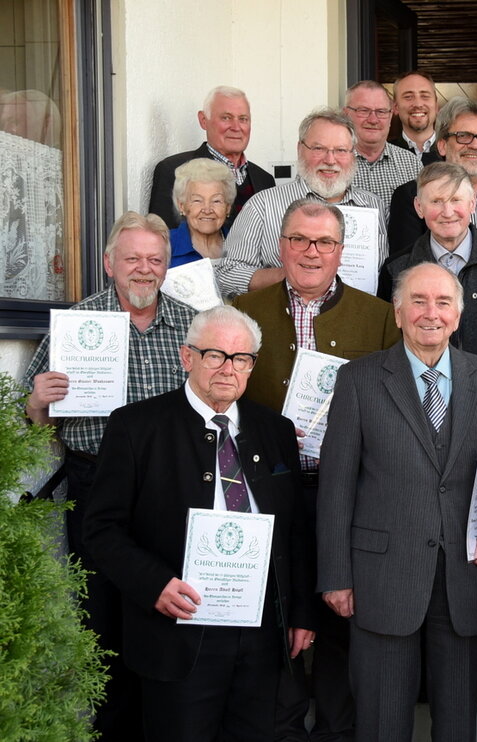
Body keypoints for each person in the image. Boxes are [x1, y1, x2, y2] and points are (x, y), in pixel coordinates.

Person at [82, 305, 316, 742]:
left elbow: (296, 532)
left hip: (262, 635)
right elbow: (101, 529)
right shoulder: (136, 427)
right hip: (179, 632)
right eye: (215, 355)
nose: (228, 369)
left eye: (241, 358)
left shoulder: (276, 430)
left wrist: (301, 612)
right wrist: (155, 584)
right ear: (187, 357)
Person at [317, 263, 477, 742]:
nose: (432, 313)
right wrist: (336, 575)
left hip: (465, 576)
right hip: (381, 578)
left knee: (456, 727)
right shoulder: (359, 380)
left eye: (443, 302)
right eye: (419, 301)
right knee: (382, 724)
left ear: (459, 314)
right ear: (397, 311)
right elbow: (337, 484)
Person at [21, 211, 197, 740]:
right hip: (96, 489)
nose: (144, 269)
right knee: (102, 621)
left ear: (166, 265)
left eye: (155, 259)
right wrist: (37, 402)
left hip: (172, 492)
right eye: (132, 258)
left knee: (165, 615)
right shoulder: (76, 325)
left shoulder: (194, 327)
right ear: (108, 264)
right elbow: (36, 425)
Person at [232, 199, 400, 740]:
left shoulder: (378, 317)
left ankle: (336, 731)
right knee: (275, 616)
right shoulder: (244, 311)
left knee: (339, 619)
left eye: (324, 242)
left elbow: (394, 408)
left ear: (341, 252)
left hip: (346, 493)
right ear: (281, 246)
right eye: (300, 240)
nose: (311, 252)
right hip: (268, 493)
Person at [217, 108, 387, 297]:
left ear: (353, 154)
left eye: (340, 150)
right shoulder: (263, 205)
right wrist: (290, 275)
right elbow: (227, 275)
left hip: (359, 314)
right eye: (319, 149)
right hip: (285, 314)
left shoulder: (375, 207)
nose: (330, 160)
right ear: (300, 149)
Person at [379, 163, 477, 359]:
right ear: (419, 207)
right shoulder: (396, 269)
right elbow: (387, 343)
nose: (447, 212)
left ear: (472, 204)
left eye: (456, 200)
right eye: (436, 201)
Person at [387, 96, 477, 254]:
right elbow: (405, 264)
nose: (475, 145)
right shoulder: (410, 196)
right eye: (463, 136)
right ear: (442, 146)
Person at [148, 86, 275, 230]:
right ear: (203, 120)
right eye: (226, 118)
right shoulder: (173, 171)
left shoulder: (265, 180)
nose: (236, 127)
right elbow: (160, 237)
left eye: (243, 119)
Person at [344, 80, 422, 205]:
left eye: (381, 112)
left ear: (390, 116)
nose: (373, 120)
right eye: (364, 110)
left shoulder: (411, 164)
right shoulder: (332, 162)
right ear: (346, 114)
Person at [168, 158, 236, 268]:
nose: (207, 210)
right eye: (197, 200)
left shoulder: (242, 245)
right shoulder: (164, 245)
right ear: (182, 206)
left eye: (216, 201)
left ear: (228, 207)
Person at [388, 70, 438, 159]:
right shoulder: (384, 153)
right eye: (408, 97)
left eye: (425, 96)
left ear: (436, 106)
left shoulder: (453, 151)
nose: (418, 104)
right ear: (395, 107)